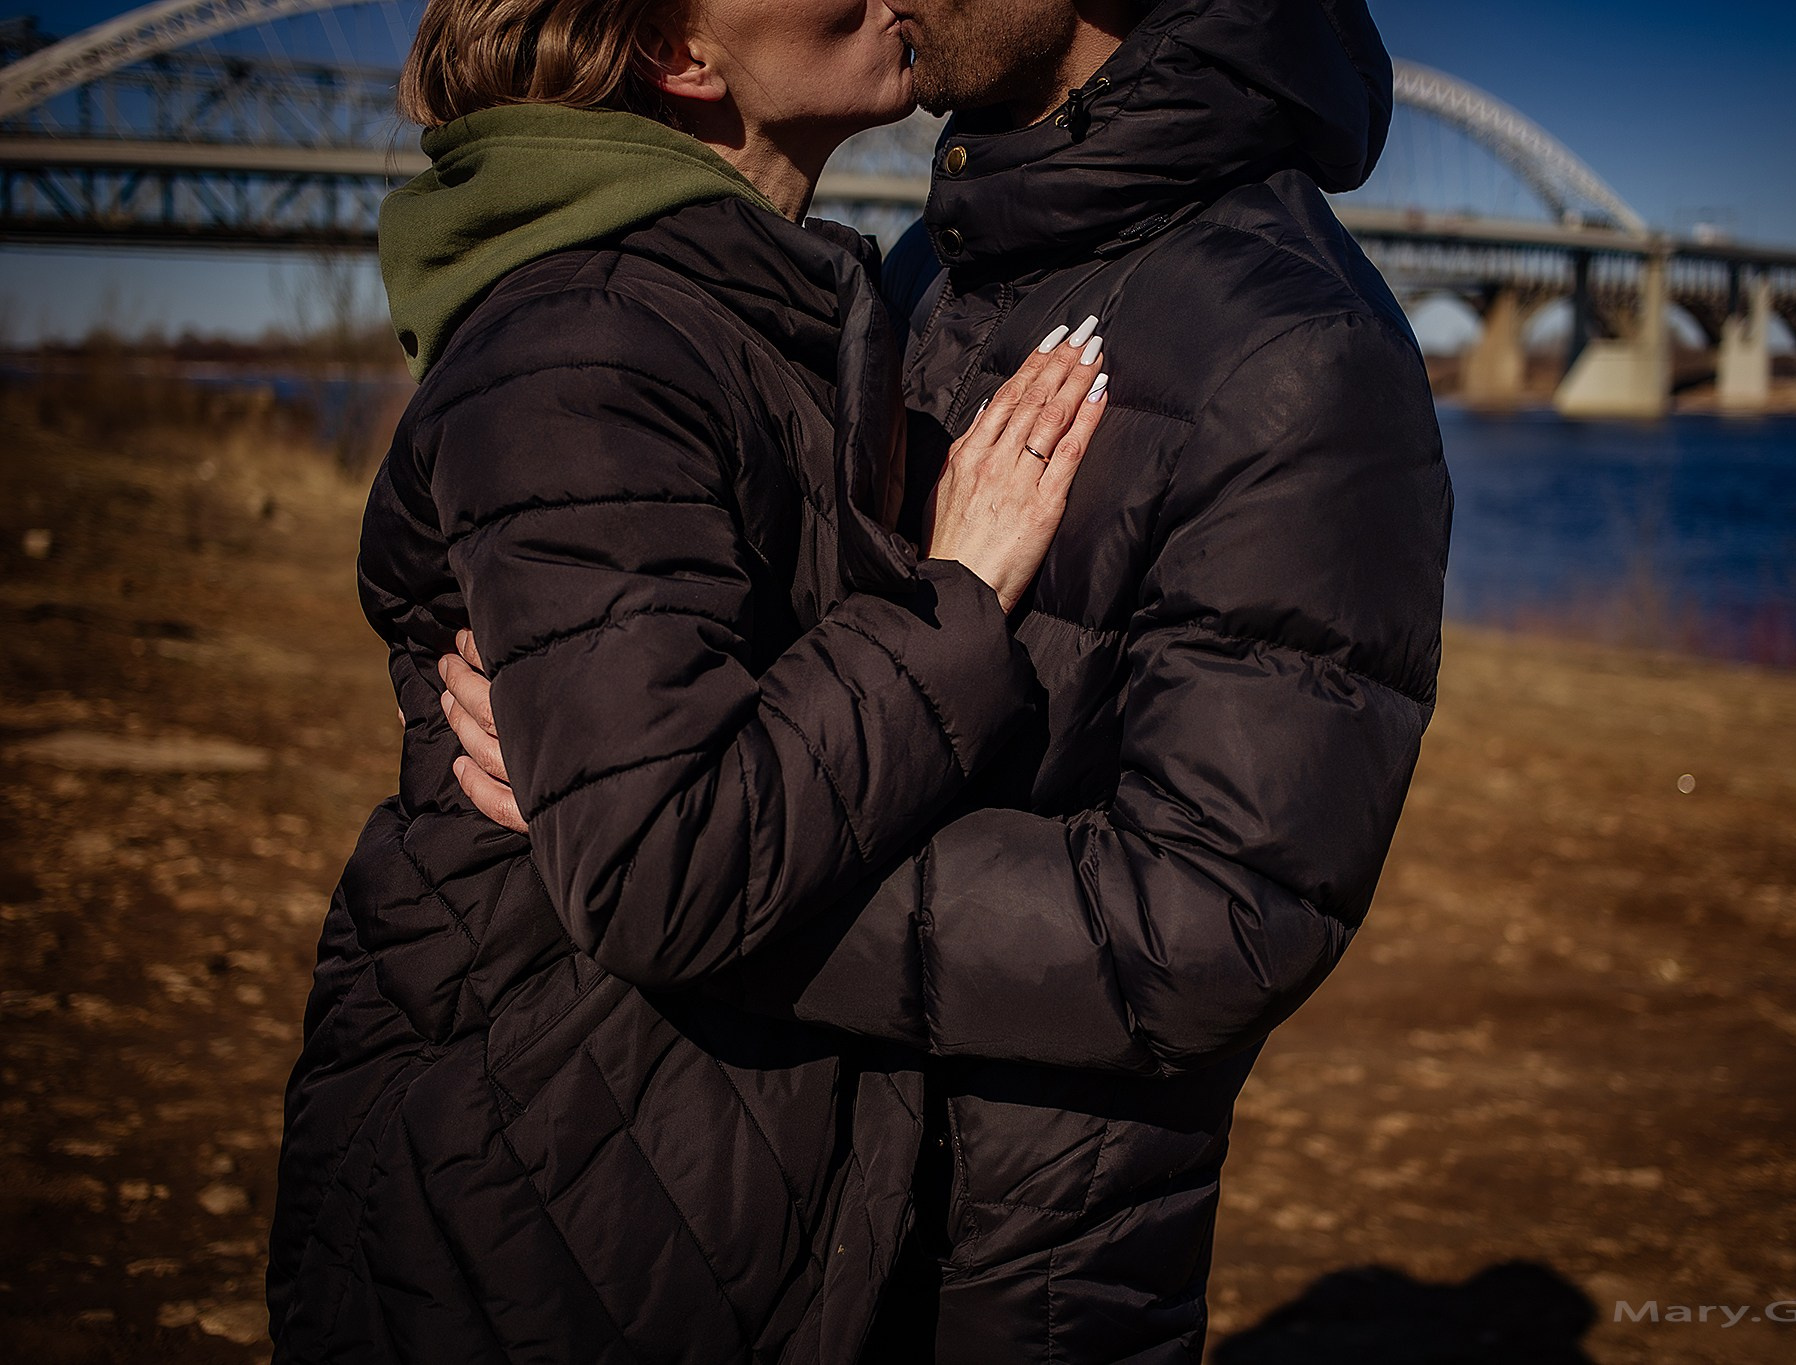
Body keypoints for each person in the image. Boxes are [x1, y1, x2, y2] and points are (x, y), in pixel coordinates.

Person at [441, 0, 1453, 1358]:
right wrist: (615, 758)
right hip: (779, 1218)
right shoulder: (923, 268)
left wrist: (697, 868)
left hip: (1014, 1273)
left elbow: (1224, 910)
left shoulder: (1297, 354)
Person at [264, 0, 1117, 1360]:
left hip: (637, 1169)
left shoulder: (735, 320)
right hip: (529, 1213)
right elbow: (659, 859)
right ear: (680, 54)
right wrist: (954, 604)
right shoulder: (581, 347)